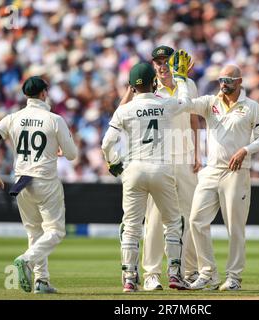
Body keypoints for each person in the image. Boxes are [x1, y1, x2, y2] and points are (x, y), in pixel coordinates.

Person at [101, 52, 193, 292]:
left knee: (131, 226)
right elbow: (185, 101)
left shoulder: (124, 110)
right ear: (154, 82)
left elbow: (106, 143)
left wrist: (114, 164)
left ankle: (130, 278)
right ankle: (174, 274)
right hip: (161, 167)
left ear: (131, 87)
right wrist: (181, 77)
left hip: (134, 169)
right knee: (173, 222)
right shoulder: (165, 103)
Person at [0, 76, 77, 294]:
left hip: (22, 181)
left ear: (26, 95)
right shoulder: (54, 119)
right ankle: (26, 260)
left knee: (34, 232)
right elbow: (72, 154)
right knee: (56, 231)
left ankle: (41, 281)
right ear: (43, 93)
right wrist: (60, 151)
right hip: (45, 180)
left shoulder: (14, 117)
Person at [184, 65, 259, 290]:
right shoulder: (210, 103)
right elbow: (185, 105)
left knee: (235, 226)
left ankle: (234, 278)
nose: (224, 84)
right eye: (221, 79)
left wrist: (244, 150)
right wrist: (182, 80)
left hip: (236, 172)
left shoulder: (251, 107)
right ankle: (208, 274)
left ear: (239, 81)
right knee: (196, 221)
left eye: (229, 80)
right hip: (211, 170)